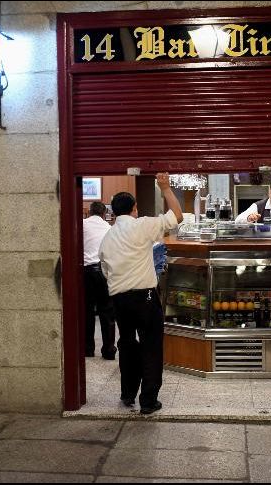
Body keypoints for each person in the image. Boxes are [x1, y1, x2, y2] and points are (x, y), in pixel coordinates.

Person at [99, 173, 183, 415]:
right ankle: (148, 401)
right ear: (134, 208)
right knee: (151, 346)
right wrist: (165, 187)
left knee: (126, 345)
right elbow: (177, 216)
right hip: (145, 298)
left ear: (114, 213)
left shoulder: (107, 238)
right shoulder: (143, 225)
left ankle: (127, 394)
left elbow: (106, 270)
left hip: (119, 300)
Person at [83, 201, 117, 360]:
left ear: (89, 212)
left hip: (86, 271)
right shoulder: (109, 228)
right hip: (103, 271)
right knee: (107, 311)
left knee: (87, 311)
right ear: (104, 214)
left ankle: (88, 349)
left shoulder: (82, 224)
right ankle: (109, 350)